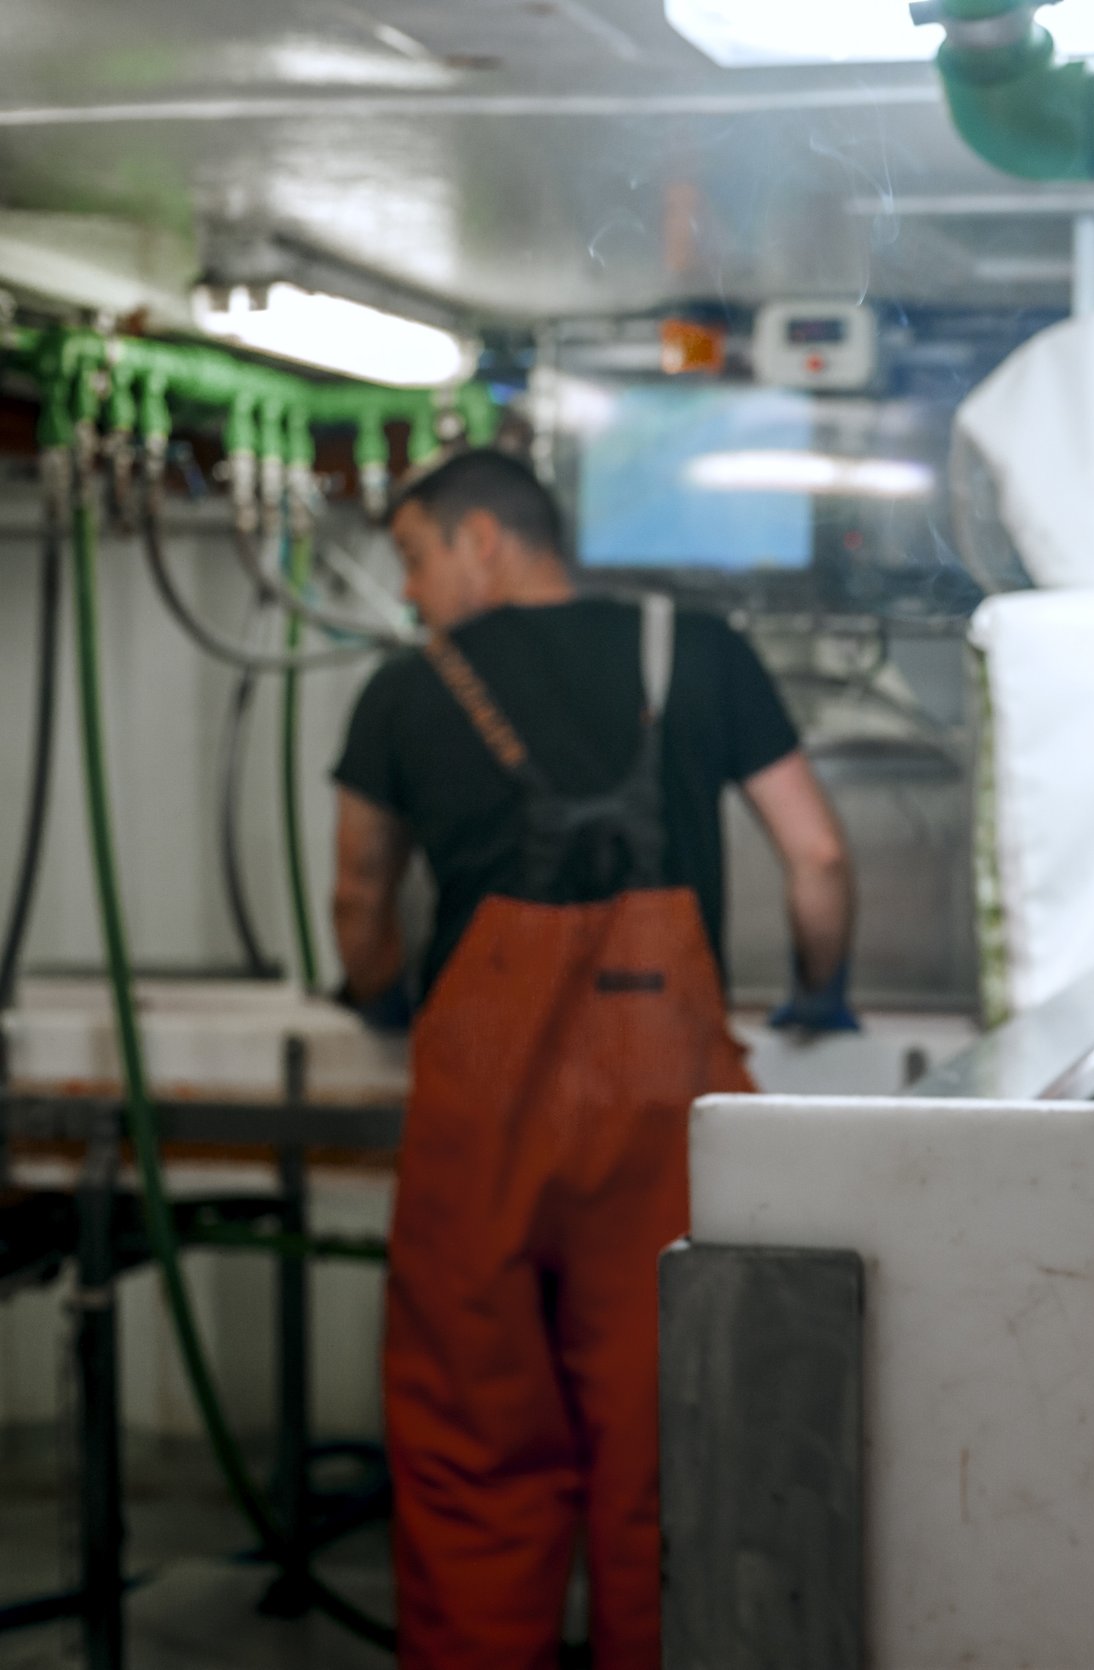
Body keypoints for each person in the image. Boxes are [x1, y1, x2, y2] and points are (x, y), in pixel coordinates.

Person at [329, 447, 858, 1668]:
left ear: (481, 539)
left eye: (412, 557)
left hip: (483, 1114)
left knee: (472, 1441)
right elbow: (818, 856)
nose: (408, 592)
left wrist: (381, 997)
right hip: (662, 1119)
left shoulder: (406, 688)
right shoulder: (700, 649)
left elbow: (359, 897)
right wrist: (818, 992)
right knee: (669, 1436)